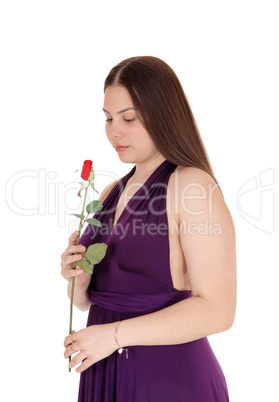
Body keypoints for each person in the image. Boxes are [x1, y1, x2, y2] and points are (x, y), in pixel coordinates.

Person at [61, 56, 236, 401]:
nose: (114, 131)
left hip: (168, 380)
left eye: (128, 118)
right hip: (103, 372)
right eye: (109, 118)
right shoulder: (110, 191)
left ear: (163, 114)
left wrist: (112, 336)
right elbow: (87, 303)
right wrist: (78, 281)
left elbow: (219, 310)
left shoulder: (191, 187)